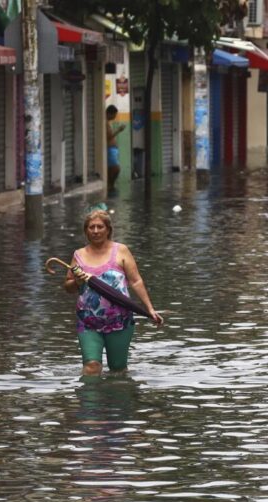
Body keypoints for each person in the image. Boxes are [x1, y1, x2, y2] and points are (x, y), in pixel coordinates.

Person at [65, 209, 164, 376]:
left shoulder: (121, 251)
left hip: (120, 321)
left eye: (99, 227)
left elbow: (136, 281)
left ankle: (116, 399)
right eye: (91, 227)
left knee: (118, 369)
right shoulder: (78, 255)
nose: (95, 231)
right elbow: (68, 286)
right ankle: (90, 400)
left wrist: (149, 308)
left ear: (108, 229)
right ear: (86, 230)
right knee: (91, 366)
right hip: (88, 322)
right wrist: (77, 282)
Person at [106, 105, 126, 198]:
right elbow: (108, 137)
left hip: (112, 150)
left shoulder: (107, 123)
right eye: (114, 114)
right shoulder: (105, 123)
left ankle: (110, 185)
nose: (115, 117)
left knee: (112, 169)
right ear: (109, 113)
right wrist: (119, 130)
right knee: (116, 169)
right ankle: (110, 185)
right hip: (110, 150)